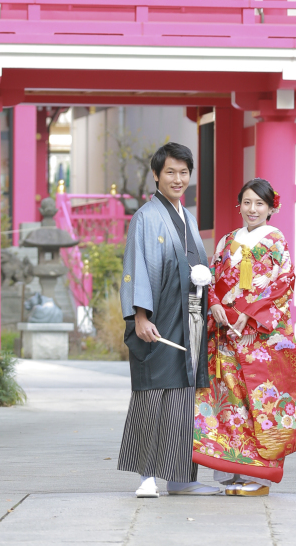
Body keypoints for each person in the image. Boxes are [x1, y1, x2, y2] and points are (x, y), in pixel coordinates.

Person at [193, 178, 296, 495]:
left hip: (258, 336)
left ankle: (261, 477)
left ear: (271, 208)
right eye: (247, 202)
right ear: (240, 205)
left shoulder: (276, 241)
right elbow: (212, 277)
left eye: (259, 203)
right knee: (230, 401)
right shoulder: (227, 241)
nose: (252, 209)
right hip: (226, 333)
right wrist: (214, 304)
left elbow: (283, 283)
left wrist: (249, 313)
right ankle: (235, 471)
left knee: (260, 401)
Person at [118, 142, 219, 498]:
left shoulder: (187, 217)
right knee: (152, 393)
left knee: (183, 397)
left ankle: (180, 478)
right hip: (158, 318)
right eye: (170, 172)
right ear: (157, 175)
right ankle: (146, 476)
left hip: (189, 318)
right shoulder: (146, 217)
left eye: (184, 172)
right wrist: (140, 316)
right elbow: (136, 267)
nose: (178, 179)